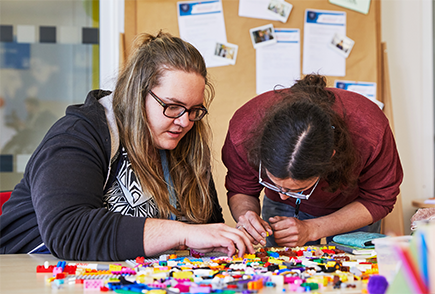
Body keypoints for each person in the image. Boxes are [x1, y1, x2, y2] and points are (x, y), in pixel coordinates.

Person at [0, 31, 254, 261]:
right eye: (172, 106)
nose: (185, 121)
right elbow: (69, 231)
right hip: (27, 270)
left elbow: (206, 228)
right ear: (136, 93)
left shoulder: (187, 143)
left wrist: (228, 240)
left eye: (194, 110)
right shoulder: (79, 134)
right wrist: (183, 234)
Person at [222, 74, 403, 247]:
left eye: (298, 189)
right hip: (281, 212)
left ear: (330, 159)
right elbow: (241, 187)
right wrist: (247, 216)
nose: (283, 195)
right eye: (274, 183)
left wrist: (312, 229)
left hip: (352, 207)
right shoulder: (244, 130)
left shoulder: (370, 132)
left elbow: (379, 198)